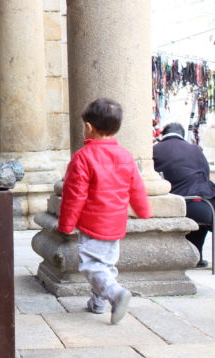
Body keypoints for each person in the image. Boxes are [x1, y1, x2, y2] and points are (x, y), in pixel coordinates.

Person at [57, 98, 152, 324]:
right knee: (106, 264)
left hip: (93, 223)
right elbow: (136, 188)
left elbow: (74, 195)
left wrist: (66, 224)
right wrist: (144, 211)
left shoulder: (83, 157)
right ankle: (98, 303)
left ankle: (116, 294)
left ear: (89, 127)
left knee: (92, 265)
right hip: (116, 223)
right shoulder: (125, 156)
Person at [153, 122, 215, 268]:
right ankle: (197, 256)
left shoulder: (155, 150)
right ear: (182, 135)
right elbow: (205, 174)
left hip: (172, 206)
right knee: (203, 214)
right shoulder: (195, 150)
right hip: (202, 206)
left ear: (163, 135)